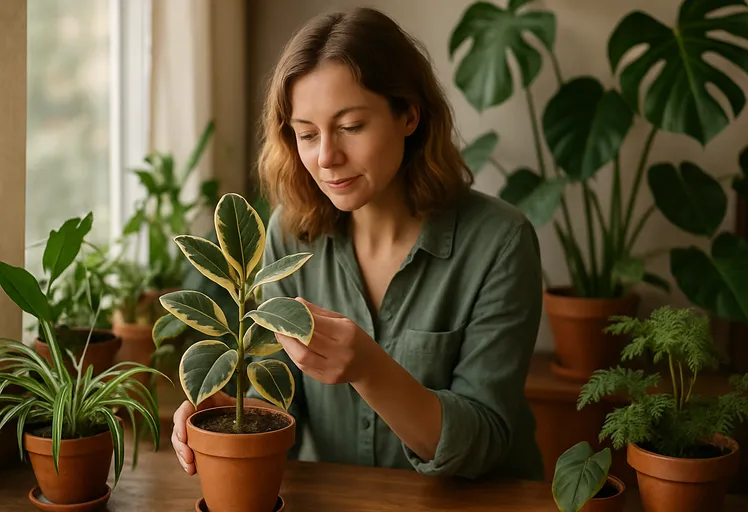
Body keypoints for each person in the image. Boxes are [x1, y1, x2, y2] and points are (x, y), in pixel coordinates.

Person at [172, 6, 544, 481]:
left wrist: (370, 369)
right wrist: (232, 414)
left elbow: (483, 441)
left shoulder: (500, 243)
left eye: (350, 127)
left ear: (409, 114)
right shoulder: (291, 234)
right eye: (306, 134)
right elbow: (287, 403)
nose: (326, 157)